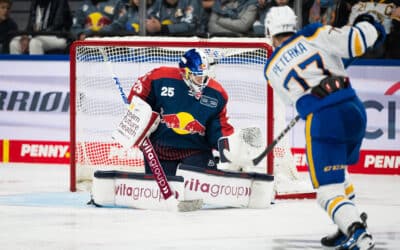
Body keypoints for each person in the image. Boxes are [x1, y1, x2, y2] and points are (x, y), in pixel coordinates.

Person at [263, 6, 385, 249]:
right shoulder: (311, 33)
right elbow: (357, 42)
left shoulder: (270, 68)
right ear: (293, 25)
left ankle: (358, 233)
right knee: (340, 171)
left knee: (327, 192)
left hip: (323, 119)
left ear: (270, 32)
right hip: (354, 109)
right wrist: (370, 20)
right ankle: (346, 223)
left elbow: (294, 98)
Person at [126, 48, 234, 176]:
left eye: (205, 77)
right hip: (160, 149)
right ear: (185, 73)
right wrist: (137, 111)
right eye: (198, 77)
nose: (202, 81)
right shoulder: (160, 78)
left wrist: (229, 153)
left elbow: (219, 130)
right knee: (157, 193)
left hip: (195, 149)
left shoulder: (217, 94)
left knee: (203, 190)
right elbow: (137, 100)